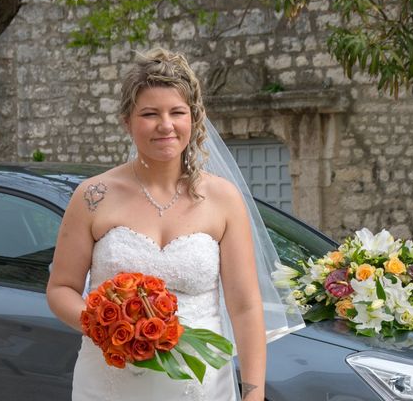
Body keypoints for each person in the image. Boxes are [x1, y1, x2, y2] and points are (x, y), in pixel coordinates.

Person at [47, 48, 274, 401]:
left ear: (194, 119)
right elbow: (60, 289)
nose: (165, 125)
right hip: (110, 380)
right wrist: (109, 325)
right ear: (127, 121)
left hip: (200, 385)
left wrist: (254, 393)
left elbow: (245, 306)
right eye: (150, 114)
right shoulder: (93, 196)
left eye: (177, 112)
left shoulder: (223, 199)